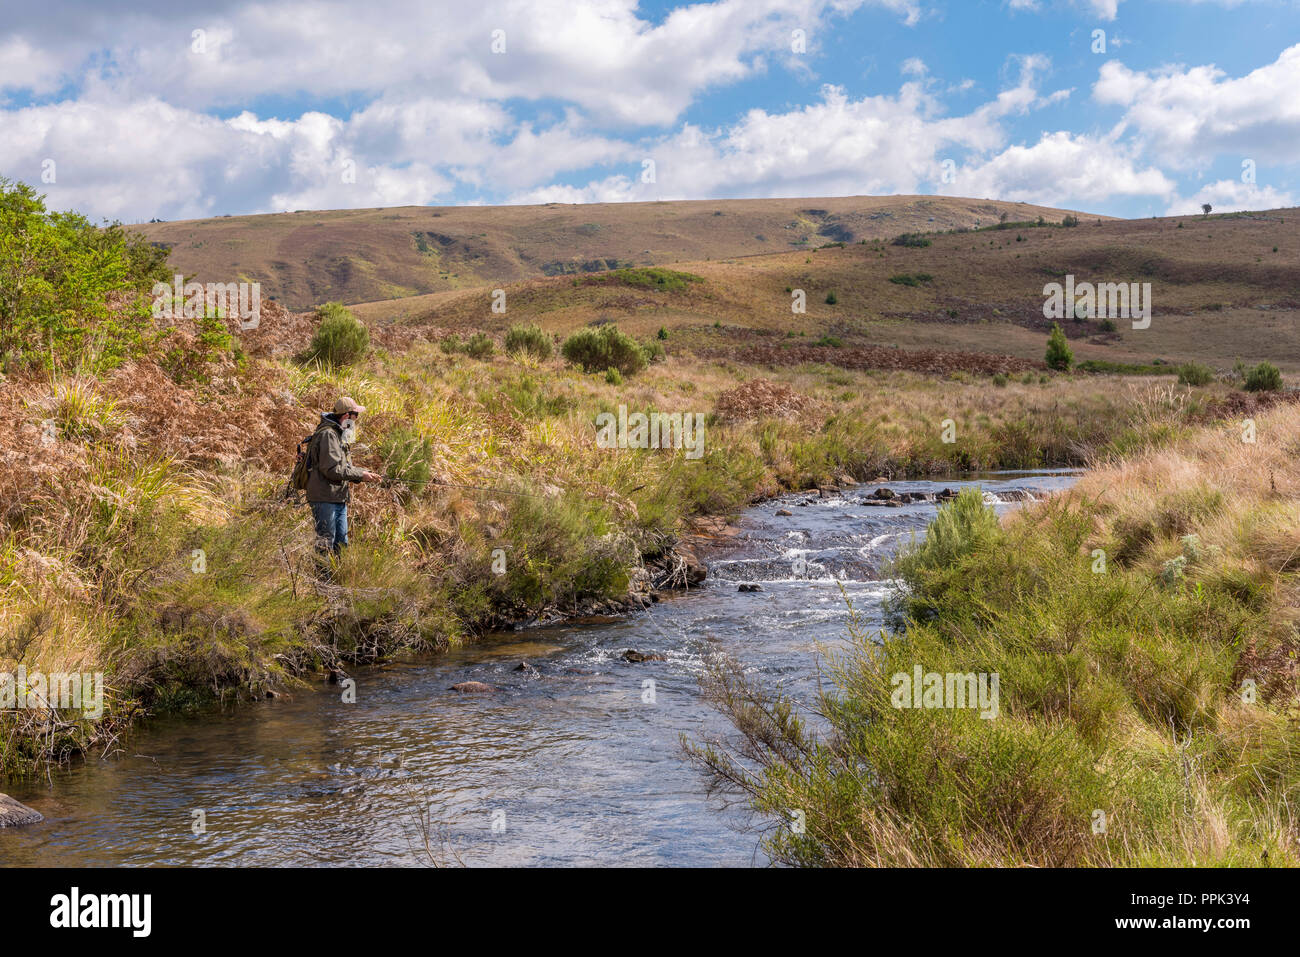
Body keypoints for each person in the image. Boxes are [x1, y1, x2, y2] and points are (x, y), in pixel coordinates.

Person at [306, 396, 382, 557]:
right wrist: (360, 475)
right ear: (347, 416)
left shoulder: (338, 433)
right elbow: (332, 469)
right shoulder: (328, 435)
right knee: (325, 544)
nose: (356, 420)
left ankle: (337, 578)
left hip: (337, 497)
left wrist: (363, 474)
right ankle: (323, 580)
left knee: (341, 544)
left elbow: (343, 467)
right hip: (324, 497)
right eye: (356, 416)